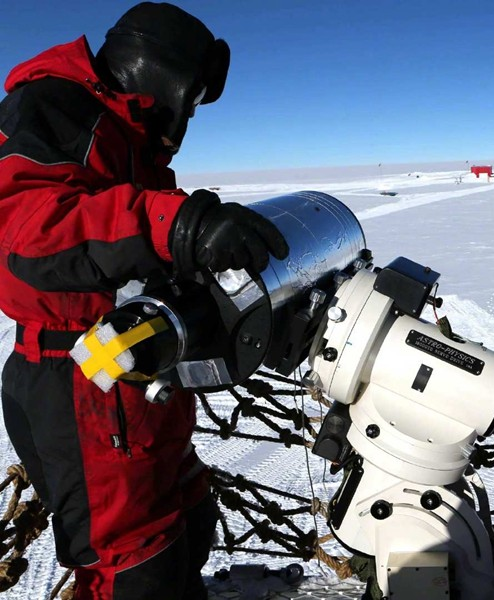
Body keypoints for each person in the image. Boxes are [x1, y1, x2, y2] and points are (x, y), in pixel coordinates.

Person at [0, 3, 288, 598]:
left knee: (188, 518)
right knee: (132, 563)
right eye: (190, 97)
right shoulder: (55, 107)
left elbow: (142, 249)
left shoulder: (131, 139)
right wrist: (177, 225)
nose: (187, 116)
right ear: (161, 75)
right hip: (80, 374)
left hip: (139, 363)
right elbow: (28, 233)